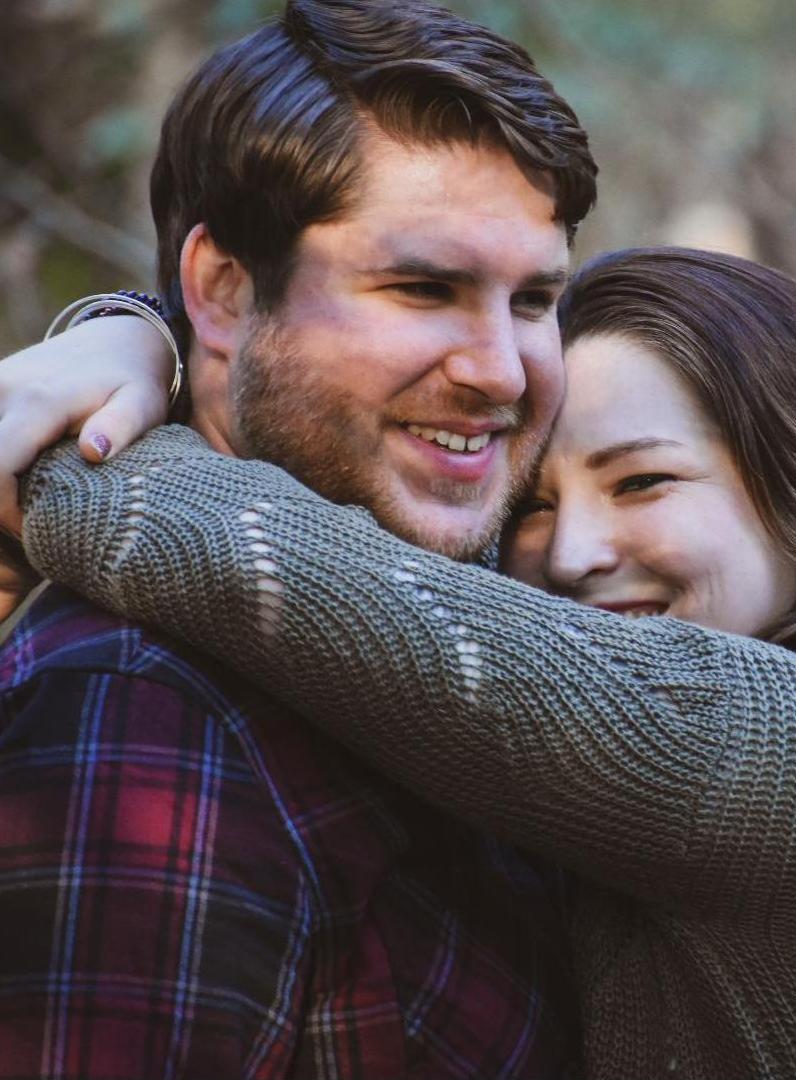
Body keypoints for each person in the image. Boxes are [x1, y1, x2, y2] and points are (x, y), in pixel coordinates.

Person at [10, 246, 796, 1079]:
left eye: (645, 481)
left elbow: (296, 573)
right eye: (533, 504)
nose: (572, 555)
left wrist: (100, 385)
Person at [0, 0, 600, 1075]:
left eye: (533, 300)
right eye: (423, 287)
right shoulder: (150, 707)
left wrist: (128, 329)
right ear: (223, 291)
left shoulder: (524, 608)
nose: (500, 372)